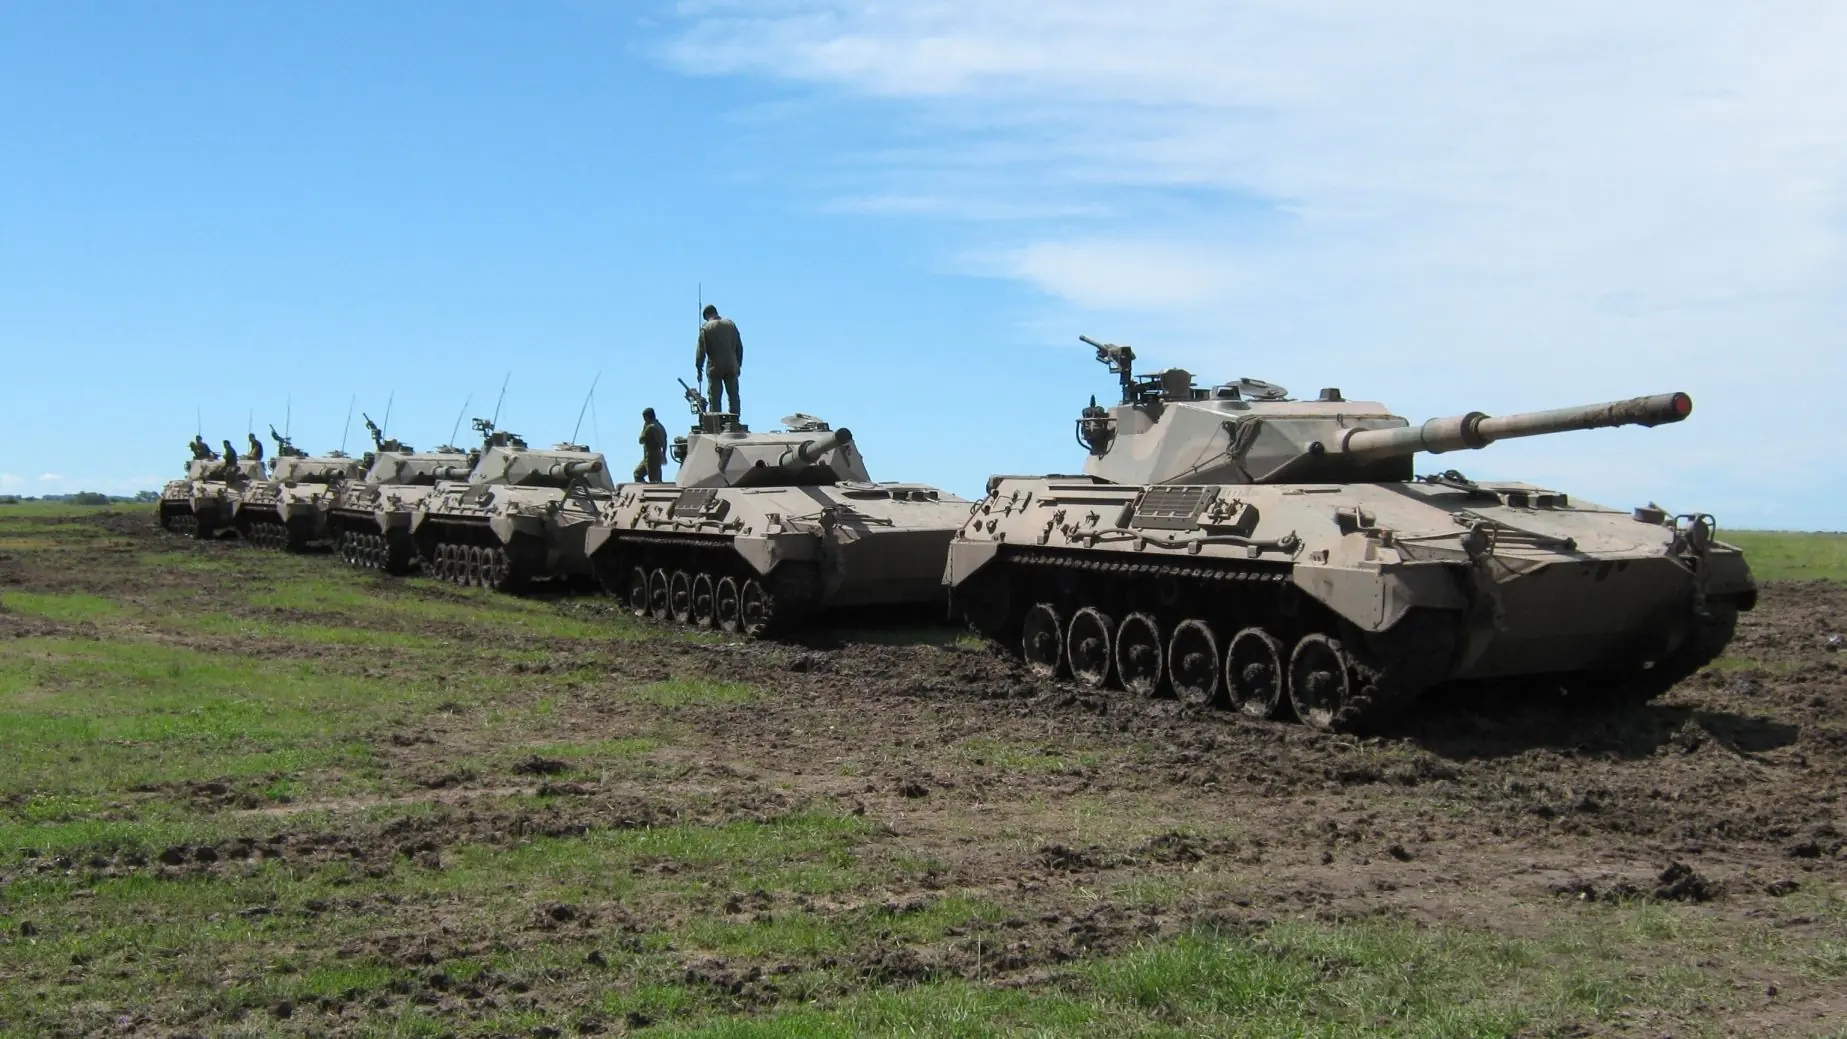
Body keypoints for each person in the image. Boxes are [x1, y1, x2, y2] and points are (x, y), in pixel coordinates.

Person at [695, 304, 743, 415]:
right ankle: (735, 420)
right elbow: (739, 347)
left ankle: (715, 421)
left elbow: (701, 351)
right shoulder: (730, 324)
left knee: (715, 397)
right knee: (733, 395)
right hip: (731, 365)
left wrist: (699, 368)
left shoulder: (706, 327)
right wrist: (738, 365)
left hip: (714, 367)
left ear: (707, 315)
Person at [635, 407, 667, 483]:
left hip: (650, 457)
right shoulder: (660, 426)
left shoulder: (650, 427)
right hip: (657, 455)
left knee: (654, 480)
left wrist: (645, 428)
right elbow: (664, 442)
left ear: (646, 417)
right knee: (638, 473)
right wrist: (664, 454)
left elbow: (641, 440)